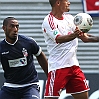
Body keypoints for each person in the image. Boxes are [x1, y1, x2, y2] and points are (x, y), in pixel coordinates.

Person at [42, 0, 90, 99]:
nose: (69, 3)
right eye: (66, 0)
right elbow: (58, 39)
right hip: (58, 67)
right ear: (58, 3)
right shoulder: (49, 20)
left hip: (74, 67)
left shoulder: (69, 18)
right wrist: (75, 35)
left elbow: (85, 38)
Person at [0, 17, 48, 99]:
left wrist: (49, 76)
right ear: (4, 28)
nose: (15, 29)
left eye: (17, 26)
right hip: (10, 87)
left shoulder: (28, 42)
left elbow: (40, 55)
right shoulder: (1, 47)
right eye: (12, 26)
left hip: (30, 85)